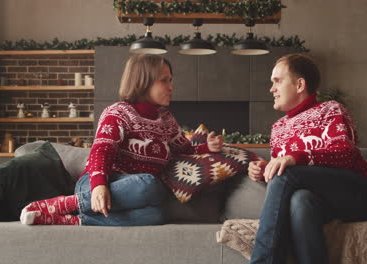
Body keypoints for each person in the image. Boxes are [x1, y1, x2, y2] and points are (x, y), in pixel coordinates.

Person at [20, 54, 223, 226]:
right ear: (143, 81)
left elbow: (183, 150)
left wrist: (208, 147)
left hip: (134, 194)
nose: (171, 86)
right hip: (99, 183)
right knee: (150, 185)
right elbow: (101, 151)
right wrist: (99, 186)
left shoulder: (166, 120)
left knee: (157, 215)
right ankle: (68, 204)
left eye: (171, 80)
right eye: (164, 80)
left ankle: (70, 219)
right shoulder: (119, 113)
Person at [247, 54, 367, 264]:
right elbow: (283, 176)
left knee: (288, 175)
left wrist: (294, 158)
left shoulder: (330, 109)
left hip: (358, 194)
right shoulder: (278, 128)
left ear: (299, 84)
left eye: (277, 81)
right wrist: (265, 169)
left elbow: (344, 154)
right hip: (316, 201)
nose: (271, 89)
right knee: (300, 200)